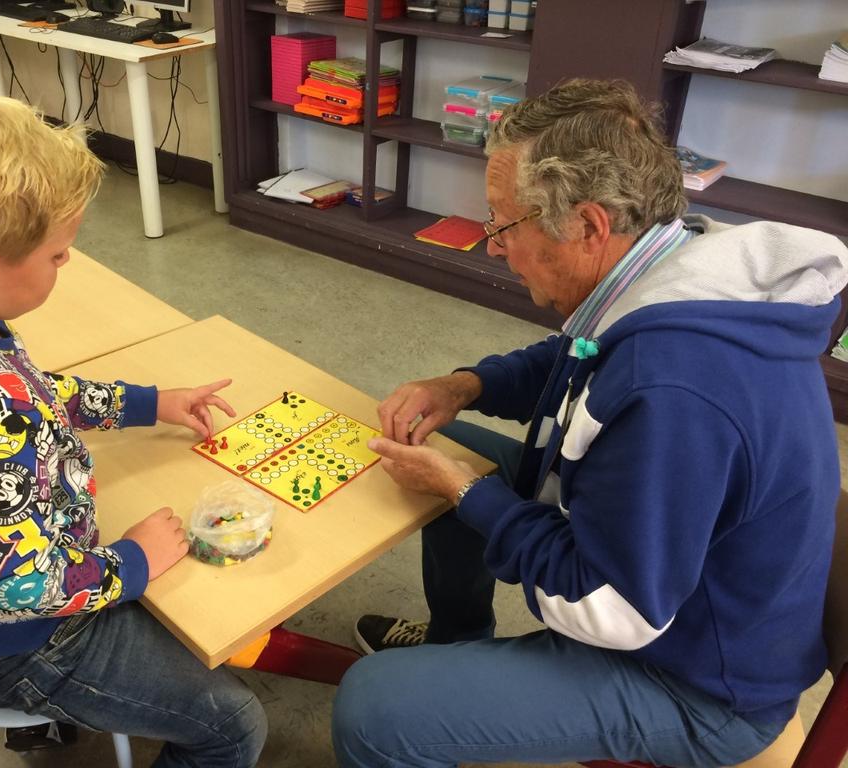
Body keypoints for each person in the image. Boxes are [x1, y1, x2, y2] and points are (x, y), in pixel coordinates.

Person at [331, 78, 848, 768]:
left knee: (374, 707)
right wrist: (466, 385)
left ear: (590, 225)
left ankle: (431, 695)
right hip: (679, 594)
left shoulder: (677, 390)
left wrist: (468, 493)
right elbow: (581, 355)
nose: (491, 244)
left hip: (697, 685)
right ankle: (456, 648)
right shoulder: (677, 259)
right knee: (453, 451)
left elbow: (610, 607)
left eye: (503, 223)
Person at [0, 92, 266, 768]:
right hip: (20, 640)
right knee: (235, 724)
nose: (67, 264)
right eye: (57, 255)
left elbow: (33, 395)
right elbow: (20, 589)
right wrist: (134, 560)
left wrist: (149, 403)